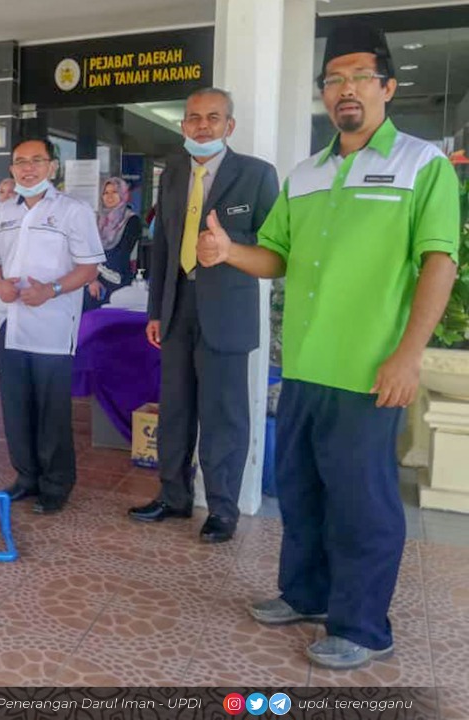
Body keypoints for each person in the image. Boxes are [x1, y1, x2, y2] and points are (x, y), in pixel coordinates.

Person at [197, 21, 459, 669]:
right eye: (334, 79)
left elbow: (439, 262)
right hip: (304, 364)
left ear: (387, 87)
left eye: (360, 77)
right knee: (303, 488)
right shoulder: (307, 174)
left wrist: (408, 356)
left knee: (362, 502)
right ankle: (306, 593)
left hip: (370, 369)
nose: (346, 89)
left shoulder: (421, 164)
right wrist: (230, 252)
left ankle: (364, 627)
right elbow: (276, 255)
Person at [127, 88, 279, 545]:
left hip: (227, 312)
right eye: (194, 118)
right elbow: (163, 247)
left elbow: (275, 249)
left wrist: (230, 250)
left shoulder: (257, 175)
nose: (202, 125)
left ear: (229, 126)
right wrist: (156, 310)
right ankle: (173, 496)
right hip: (177, 308)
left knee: (224, 415)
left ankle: (222, 509)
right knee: (175, 408)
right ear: (183, 126)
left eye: (213, 117)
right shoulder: (173, 172)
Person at [0, 136, 103, 514]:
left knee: (52, 411)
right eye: (20, 161)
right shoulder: (3, 212)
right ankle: (26, 477)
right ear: (12, 169)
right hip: (10, 320)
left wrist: (51, 290)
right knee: (16, 406)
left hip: (53, 324)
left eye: (36, 160)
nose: (28, 168)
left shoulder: (73, 211)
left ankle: (56, 483)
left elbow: (89, 268)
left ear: (52, 167)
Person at [85, 177, 143, 307]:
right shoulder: (97, 219)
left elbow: (122, 253)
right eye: (106, 193)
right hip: (92, 281)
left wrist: (96, 271)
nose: (109, 196)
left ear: (123, 194)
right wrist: (91, 279)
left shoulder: (131, 220)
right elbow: (86, 250)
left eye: (114, 192)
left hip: (117, 280)